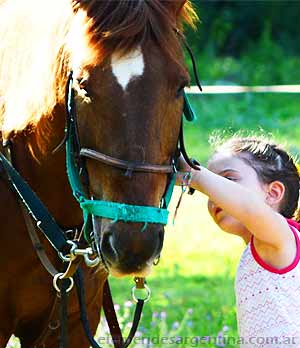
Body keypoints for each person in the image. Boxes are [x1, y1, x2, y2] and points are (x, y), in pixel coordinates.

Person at [177, 135, 300, 348]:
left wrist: (193, 175)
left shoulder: (281, 238)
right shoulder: (268, 247)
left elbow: (247, 206)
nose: (215, 194)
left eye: (228, 181)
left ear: (273, 193)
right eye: (211, 187)